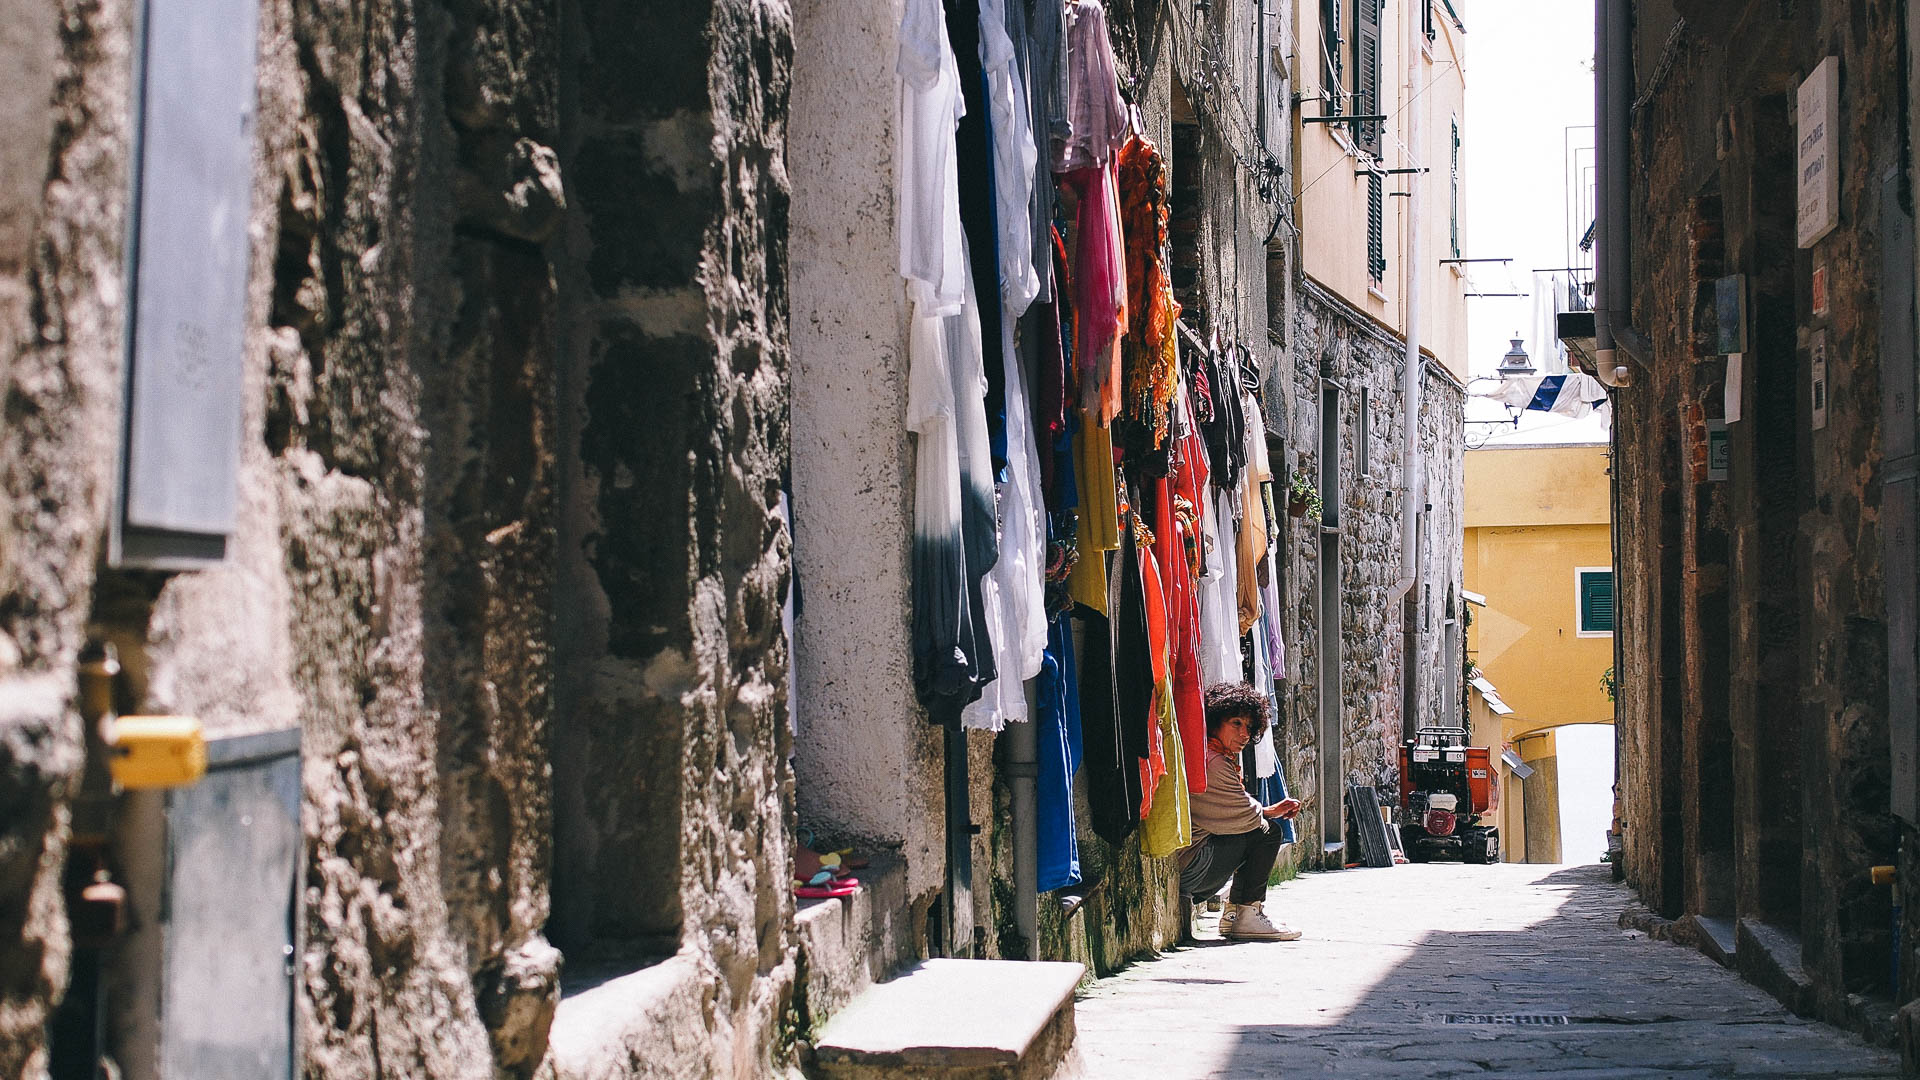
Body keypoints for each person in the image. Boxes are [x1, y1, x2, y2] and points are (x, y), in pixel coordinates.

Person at [1176, 681, 1302, 941]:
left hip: (1193, 861)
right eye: (1236, 723)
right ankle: (1247, 913)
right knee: (1267, 834)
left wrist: (1267, 810)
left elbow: (1236, 810)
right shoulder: (1214, 763)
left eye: (1249, 727)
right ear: (1216, 721)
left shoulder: (1208, 754)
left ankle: (1235, 915)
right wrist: (1268, 813)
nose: (1244, 734)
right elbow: (1245, 817)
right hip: (1191, 868)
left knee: (1263, 828)